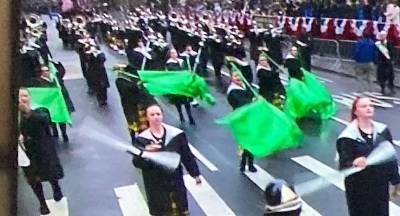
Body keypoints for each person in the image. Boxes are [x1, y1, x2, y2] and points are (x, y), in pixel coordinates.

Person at [133, 103, 202, 216]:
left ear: (162, 116)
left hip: (175, 180)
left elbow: (186, 155)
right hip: (155, 184)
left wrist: (195, 174)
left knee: (180, 210)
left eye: (158, 114)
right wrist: (146, 153)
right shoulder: (142, 140)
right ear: (147, 117)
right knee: (162, 211)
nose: (156, 117)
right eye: (152, 115)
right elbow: (137, 163)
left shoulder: (176, 134)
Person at [336, 97, 400, 216]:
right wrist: (354, 162)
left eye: (370, 105)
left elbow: (390, 157)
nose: (369, 108)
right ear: (356, 112)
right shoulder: (347, 137)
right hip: (359, 188)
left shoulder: (383, 130)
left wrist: (396, 180)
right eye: (364, 106)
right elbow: (343, 165)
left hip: (380, 185)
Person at [18, 88, 64, 215]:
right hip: (26, 154)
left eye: (25, 96)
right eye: (19, 96)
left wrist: (27, 112)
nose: (22, 99)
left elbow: (45, 120)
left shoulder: (39, 111)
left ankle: (56, 187)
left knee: (50, 173)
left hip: (42, 151)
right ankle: (42, 203)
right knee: (33, 179)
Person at [226, 65, 257, 172]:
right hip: (241, 118)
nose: (238, 77)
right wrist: (252, 101)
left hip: (251, 116)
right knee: (245, 141)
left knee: (251, 140)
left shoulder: (245, 85)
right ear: (231, 78)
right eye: (235, 76)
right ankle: (245, 162)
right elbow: (240, 103)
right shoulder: (232, 91)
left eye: (239, 75)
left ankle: (249, 163)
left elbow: (248, 69)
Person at [166, 48, 196, 125]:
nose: (174, 54)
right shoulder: (169, 63)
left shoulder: (182, 61)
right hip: (177, 85)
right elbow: (174, 72)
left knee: (187, 101)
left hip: (184, 85)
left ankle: (190, 116)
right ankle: (180, 114)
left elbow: (186, 69)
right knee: (178, 102)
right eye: (172, 53)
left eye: (175, 52)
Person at [375, 31, 396, 95]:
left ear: (385, 36)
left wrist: (393, 60)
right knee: (381, 76)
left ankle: (391, 88)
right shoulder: (378, 44)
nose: (381, 37)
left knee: (391, 76)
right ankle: (382, 88)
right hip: (381, 62)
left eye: (382, 35)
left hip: (388, 62)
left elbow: (393, 52)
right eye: (380, 35)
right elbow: (376, 53)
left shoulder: (389, 43)